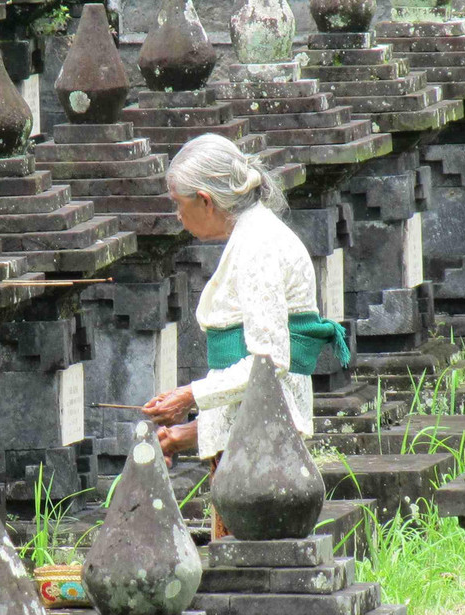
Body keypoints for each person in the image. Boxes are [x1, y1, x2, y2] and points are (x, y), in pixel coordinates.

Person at [142, 133, 348, 538]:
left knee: (247, 565)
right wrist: (187, 435)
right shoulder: (253, 236)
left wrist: (190, 396)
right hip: (254, 446)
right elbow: (260, 393)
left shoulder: (258, 247)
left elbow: (268, 366)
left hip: (259, 463)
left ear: (204, 200)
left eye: (177, 204)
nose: (177, 216)